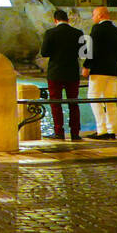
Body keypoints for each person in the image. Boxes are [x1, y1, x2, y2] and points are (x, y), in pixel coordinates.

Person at [40, 8, 84, 140]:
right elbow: (84, 52)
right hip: (72, 72)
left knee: (56, 103)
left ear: (55, 20)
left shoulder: (50, 33)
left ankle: (59, 132)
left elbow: (44, 53)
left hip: (56, 72)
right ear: (68, 20)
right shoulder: (78, 33)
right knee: (73, 103)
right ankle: (75, 133)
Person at [83, 6, 117, 140]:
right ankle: (112, 129)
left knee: (94, 98)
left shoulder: (97, 30)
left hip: (98, 70)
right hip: (113, 69)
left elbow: (91, 50)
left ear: (100, 16)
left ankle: (102, 130)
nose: (92, 17)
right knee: (110, 100)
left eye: (93, 15)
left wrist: (86, 66)